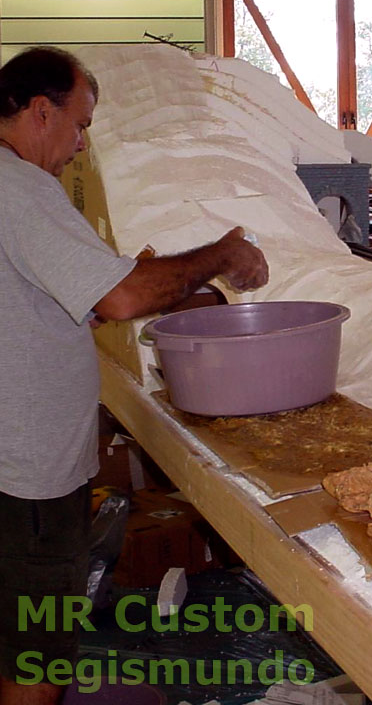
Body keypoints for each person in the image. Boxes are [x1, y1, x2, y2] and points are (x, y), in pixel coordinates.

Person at [0, 47, 269, 704]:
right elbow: (120, 298)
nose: (80, 144)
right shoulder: (21, 189)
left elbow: (73, 297)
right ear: (41, 112)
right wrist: (223, 253)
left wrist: (171, 293)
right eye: (80, 124)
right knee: (36, 658)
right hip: (25, 480)